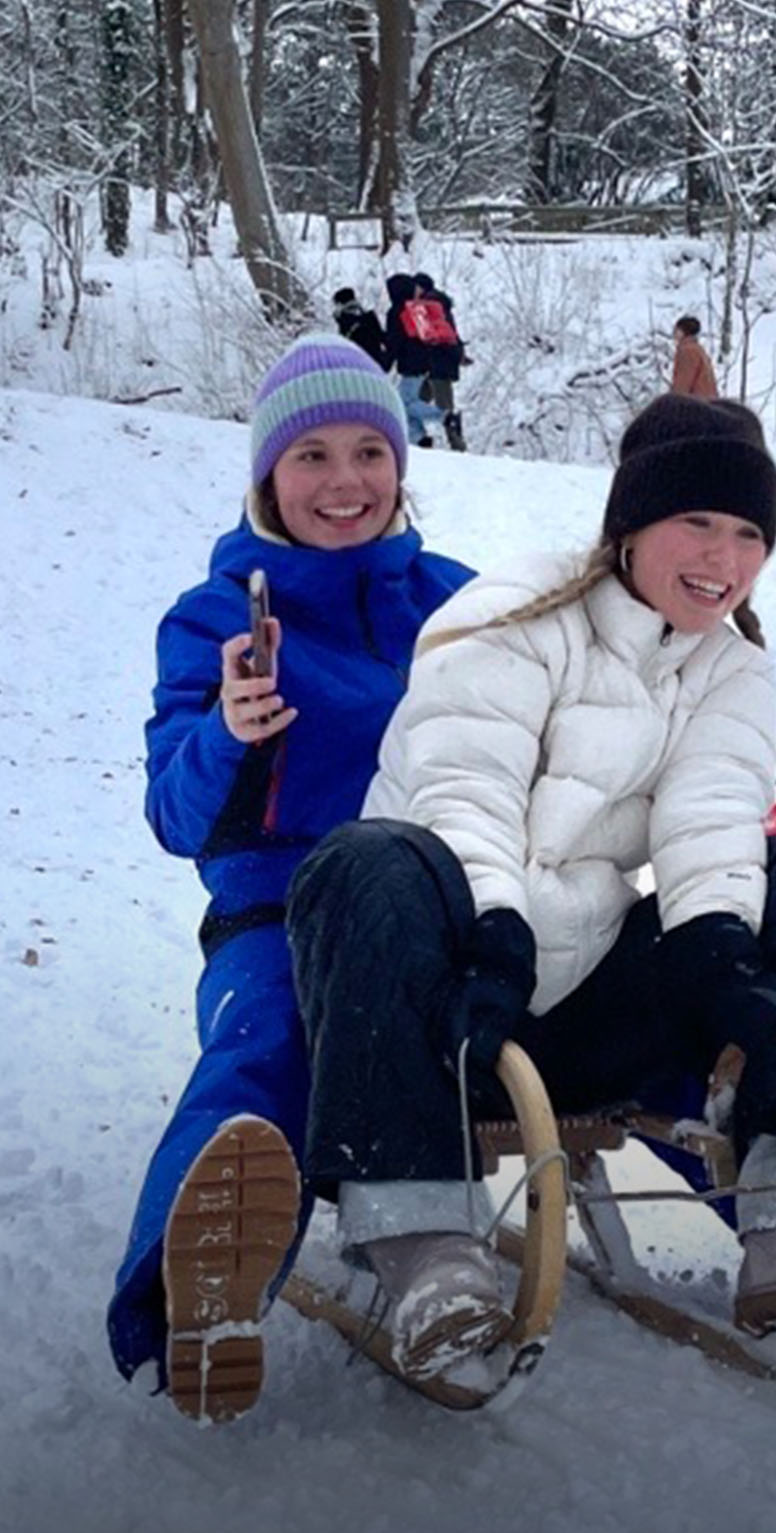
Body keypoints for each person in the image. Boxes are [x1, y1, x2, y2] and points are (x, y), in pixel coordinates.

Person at [285, 394, 776, 1382]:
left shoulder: (730, 668)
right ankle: (422, 1252)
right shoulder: (514, 614)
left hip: (584, 1012)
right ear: (632, 521)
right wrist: (494, 936)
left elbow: (711, 825)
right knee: (361, 860)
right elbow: (461, 793)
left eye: (750, 534)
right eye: (697, 521)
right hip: (441, 1001)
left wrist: (722, 955)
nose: (724, 557)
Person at [107, 332, 474, 1418]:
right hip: (279, 915)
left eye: (371, 451)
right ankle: (186, 1294)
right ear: (269, 474)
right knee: (270, 1044)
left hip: (447, 903)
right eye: (313, 455)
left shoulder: (458, 603)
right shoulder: (217, 615)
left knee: (640, 1005)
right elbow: (174, 817)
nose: (346, 481)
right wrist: (228, 731)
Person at [384, 272, 444, 449]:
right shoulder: (416, 308)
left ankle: (444, 416)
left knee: (405, 403)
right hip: (425, 361)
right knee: (406, 403)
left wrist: (385, 362)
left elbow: (394, 341)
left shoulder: (396, 311)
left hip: (411, 364)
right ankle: (418, 439)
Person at [413, 272, 467, 452]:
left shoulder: (427, 305)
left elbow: (425, 334)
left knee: (442, 406)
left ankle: (457, 445)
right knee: (416, 401)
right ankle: (418, 440)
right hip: (442, 360)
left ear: (421, 287)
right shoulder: (440, 304)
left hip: (438, 361)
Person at [331, 285, 387, 369]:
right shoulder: (369, 317)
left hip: (356, 367)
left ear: (340, 304)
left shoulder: (345, 321)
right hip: (375, 366)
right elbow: (384, 339)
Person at [670, 316, 718, 399]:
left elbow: (683, 382)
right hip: (707, 401)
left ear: (683, 332)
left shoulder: (687, 351)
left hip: (695, 402)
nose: (674, 333)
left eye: (677, 330)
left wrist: (675, 401)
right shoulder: (698, 349)